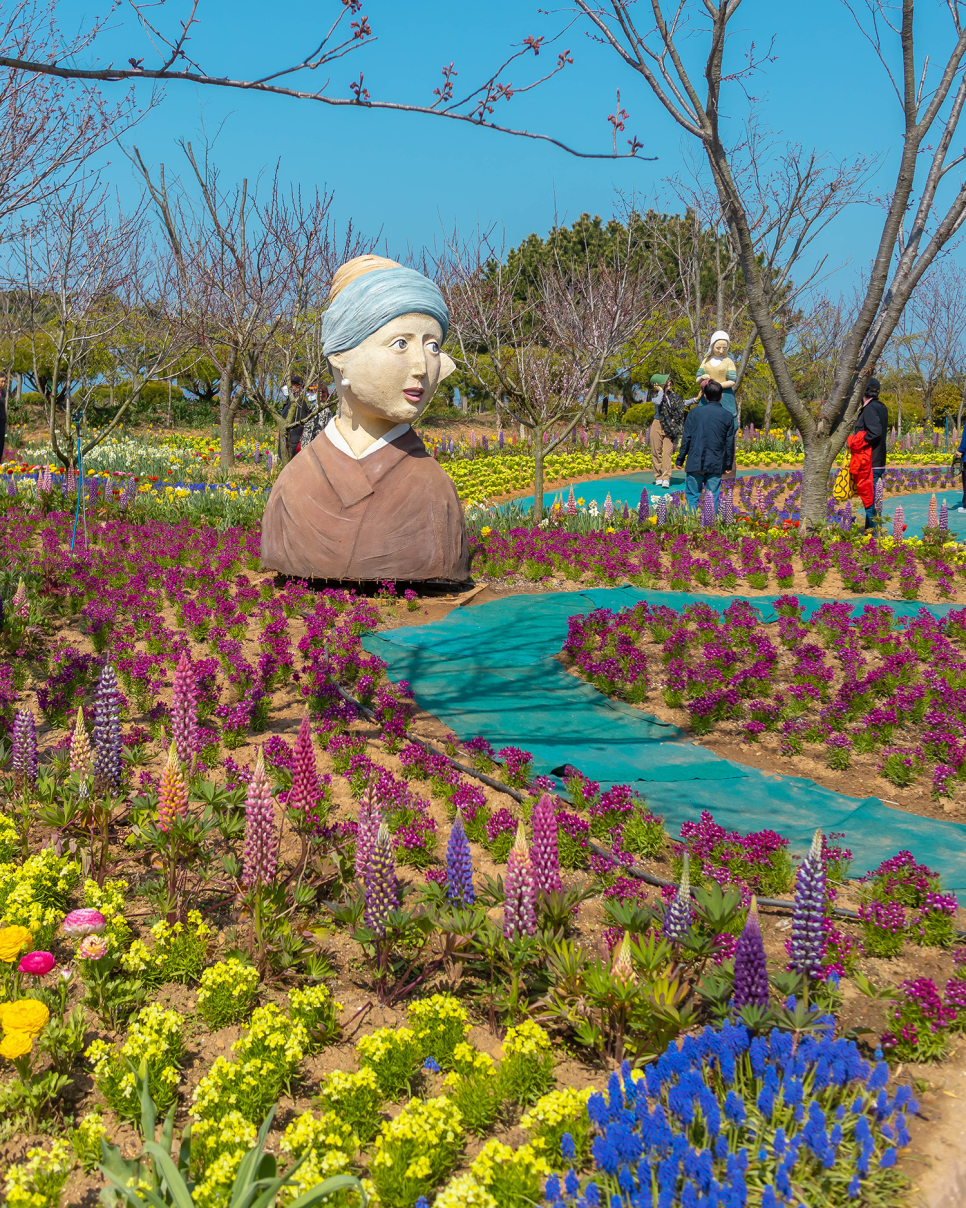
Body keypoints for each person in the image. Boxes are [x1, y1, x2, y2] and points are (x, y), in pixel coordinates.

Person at [261, 254, 468, 583]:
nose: (421, 367)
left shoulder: (433, 490)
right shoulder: (293, 486)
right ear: (340, 356)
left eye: (432, 346)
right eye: (400, 343)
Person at [675, 380, 736, 513]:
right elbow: (729, 443)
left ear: (704, 395)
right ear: (721, 396)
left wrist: (680, 459)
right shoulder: (727, 416)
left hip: (695, 461)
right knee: (712, 496)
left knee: (692, 496)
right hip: (715, 462)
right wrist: (727, 465)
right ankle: (709, 529)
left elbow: (686, 438)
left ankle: (690, 527)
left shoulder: (694, 413)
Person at [854, 377, 888, 529]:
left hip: (870, 462)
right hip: (878, 460)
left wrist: (856, 441)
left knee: (869, 502)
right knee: (873, 500)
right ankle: (869, 531)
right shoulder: (881, 406)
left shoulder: (869, 409)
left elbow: (875, 432)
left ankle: (874, 537)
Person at [648, 372, 674, 487]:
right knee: (656, 451)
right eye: (666, 381)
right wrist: (660, 391)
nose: (669, 382)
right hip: (657, 424)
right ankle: (658, 476)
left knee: (667, 452)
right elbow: (659, 402)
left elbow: (682, 403)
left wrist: (695, 399)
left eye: (669, 381)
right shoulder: (656, 397)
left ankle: (666, 478)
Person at [279, 374, 309, 459]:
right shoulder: (289, 401)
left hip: (293, 441)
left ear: (298, 387)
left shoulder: (299, 403)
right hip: (286, 439)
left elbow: (302, 423)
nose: (287, 387)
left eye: (292, 385)